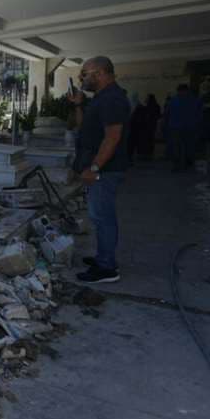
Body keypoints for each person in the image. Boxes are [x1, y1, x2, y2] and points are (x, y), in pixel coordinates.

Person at [70, 56, 130, 283]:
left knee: (103, 217)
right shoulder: (100, 98)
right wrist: (78, 104)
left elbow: (113, 137)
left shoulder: (112, 99)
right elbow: (82, 128)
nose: (81, 78)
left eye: (84, 74)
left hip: (105, 170)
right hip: (99, 168)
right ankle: (102, 257)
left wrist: (94, 167)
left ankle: (107, 268)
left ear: (100, 73)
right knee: (98, 215)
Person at [166, 84, 202, 171]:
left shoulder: (173, 101)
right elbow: (199, 114)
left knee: (177, 146)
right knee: (188, 146)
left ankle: (178, 164)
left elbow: (167, 113)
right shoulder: (195, 100)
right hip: (189, 126)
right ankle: (187, 163)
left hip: (177, 126)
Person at [143, 94, 161, 159]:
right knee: (151, 137)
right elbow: (159, 115)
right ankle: (150, 150)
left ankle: (147, 150)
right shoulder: (156, 106)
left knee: (147, 137)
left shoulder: (147, 106)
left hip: (147, 124)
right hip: (153, 123)